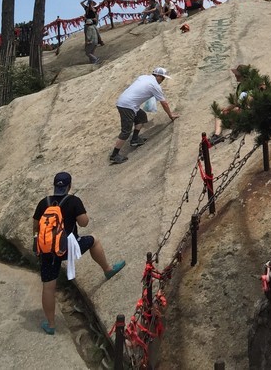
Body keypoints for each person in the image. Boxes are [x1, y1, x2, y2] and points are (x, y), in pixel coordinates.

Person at [33, 171, 125, 335]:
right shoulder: (73, 201)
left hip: (48, 251)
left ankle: (51, 324)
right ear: (69, 186)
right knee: (94, 240)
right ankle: (108, 270)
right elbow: (84, 223)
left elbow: (36, 227)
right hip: (69, 247)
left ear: (54, 185)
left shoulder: (43, 203)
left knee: (48, 288)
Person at [109, 67, 179, 164]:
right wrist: (170, 115)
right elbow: (164, 103)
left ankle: (135, 139)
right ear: (158, 76)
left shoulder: (144, 77)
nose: (163, 80)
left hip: (126, 102)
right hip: (127, 106)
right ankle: (114, 155)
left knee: (141, 117)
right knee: (126, 131)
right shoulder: (155, 85)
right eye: (162, 78)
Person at [81, 0, 102, 64]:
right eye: (90, 3)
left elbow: (96, 18)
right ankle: (92, 60)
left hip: (91, 24)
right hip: (89, 23)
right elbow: (81, 3)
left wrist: (91, 19)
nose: (90, 4)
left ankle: (94, 59)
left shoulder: (94, 9)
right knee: (89, 37)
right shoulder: (87, 8)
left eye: (91, 3)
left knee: (89, 36)